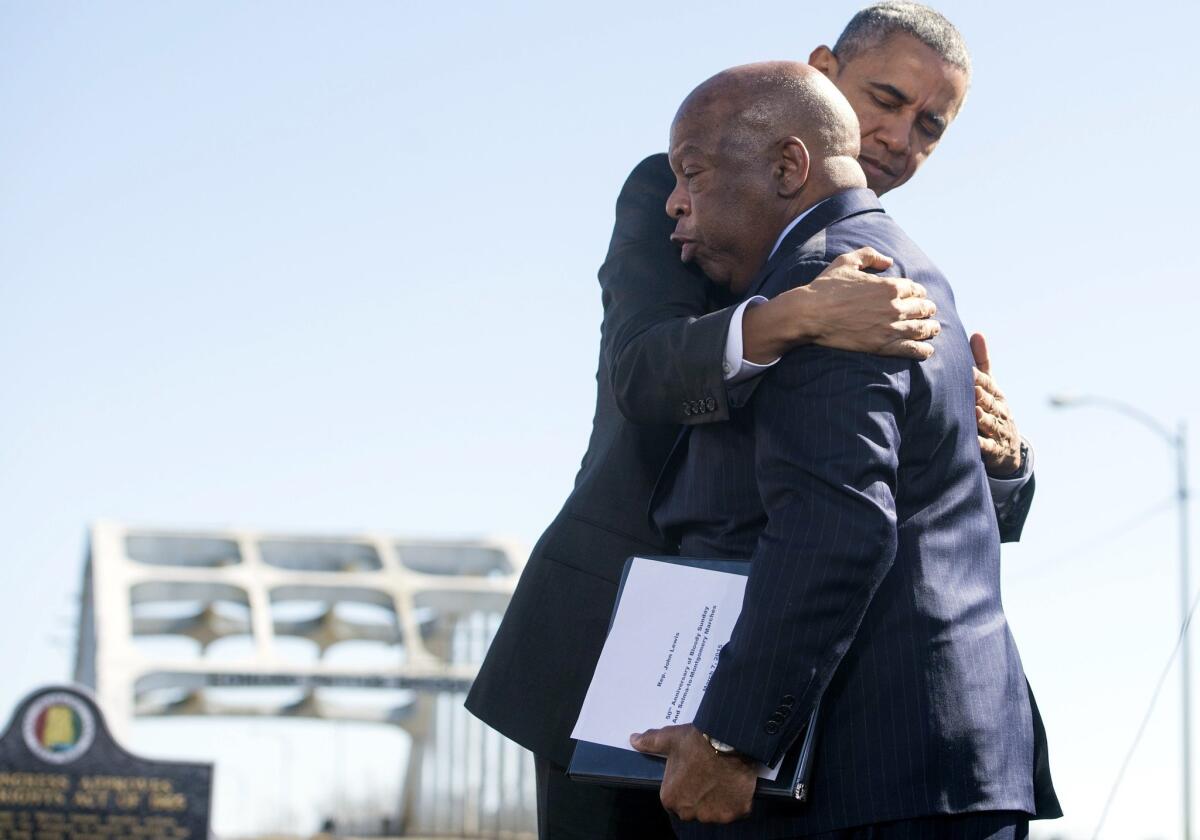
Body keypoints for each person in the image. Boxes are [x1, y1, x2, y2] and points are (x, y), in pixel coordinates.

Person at [465, 4, 1038, 836]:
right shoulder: (690, 188)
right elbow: (642, 369)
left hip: (783, 679)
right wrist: (788, 318)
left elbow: (891, 507)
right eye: (884, 97)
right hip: (624, 654)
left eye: (931, 126)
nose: (897, 136)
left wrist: (1001, 456)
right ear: (818, 76)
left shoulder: (880, 270)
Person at [634, 60, 1057, 838]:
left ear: (789, 165)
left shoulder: (835, 282)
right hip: (931, 775)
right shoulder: (897, 258)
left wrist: (732, 738)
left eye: (691, 171)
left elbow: (838, 525)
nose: (673, 199)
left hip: (873, 784)